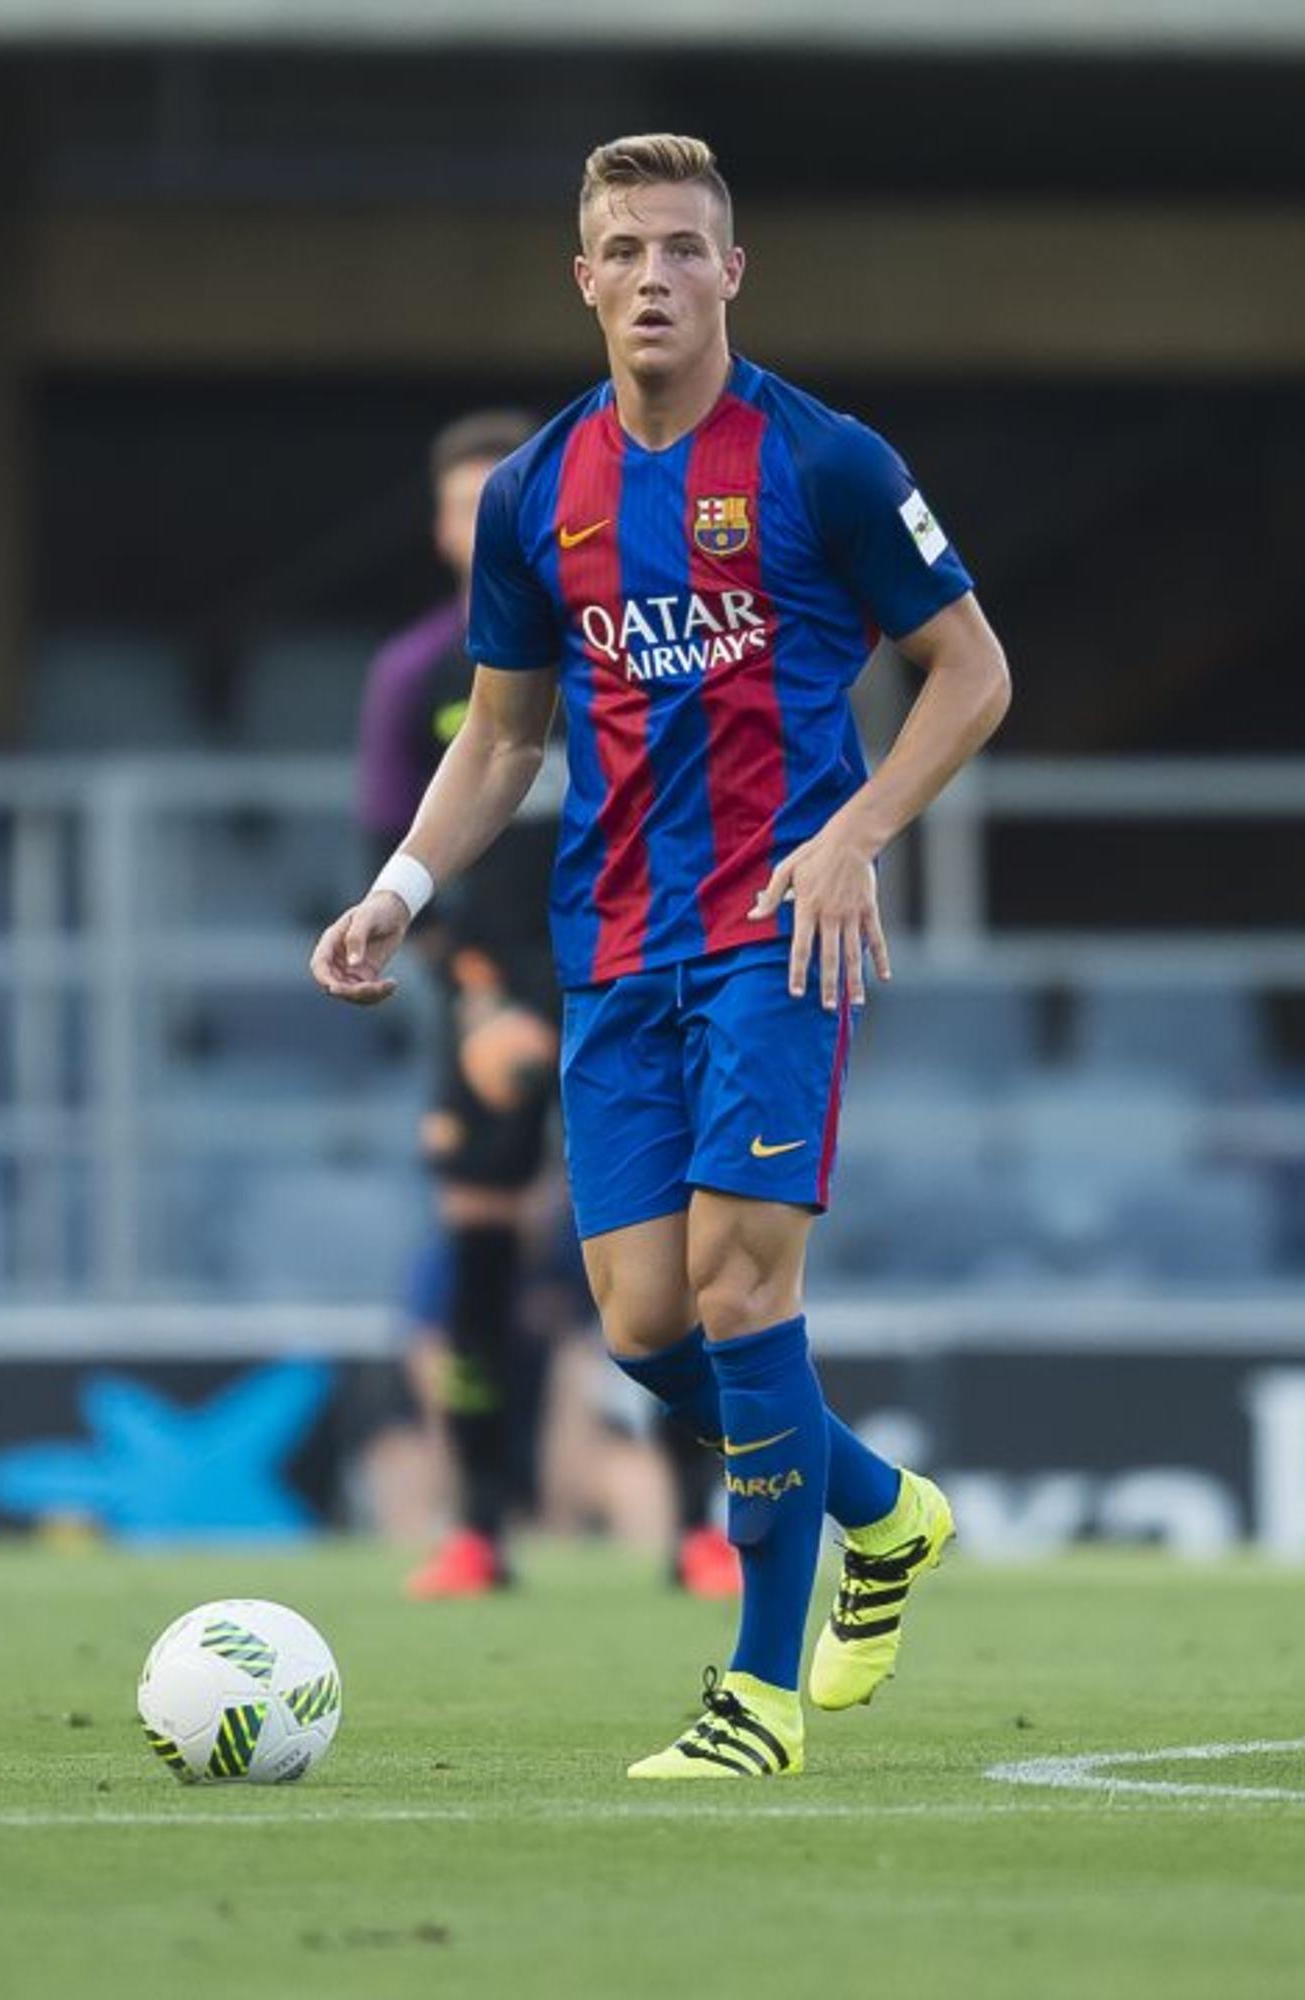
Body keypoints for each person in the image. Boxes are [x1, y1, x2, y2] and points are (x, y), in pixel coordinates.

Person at [313, 132, 1012, 1779]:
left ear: (731, 271)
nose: (653, 276)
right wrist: (402, 890)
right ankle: (883, 1512)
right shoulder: (535, 495)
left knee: (740, 1282)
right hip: (610, 954)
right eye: (624, 248)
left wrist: (857, 834)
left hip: (782, 931)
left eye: (684, 247)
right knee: (642, 1328)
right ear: (584, 278)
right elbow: (499, 741)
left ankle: (756, 1696)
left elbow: (971, 674)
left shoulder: (826, 462)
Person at [355, 408, 741, 1603]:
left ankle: (699, 1526)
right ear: (438, 529)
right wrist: (478, 1000)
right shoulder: (419, 675)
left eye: (501, 506)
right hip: (496, 999)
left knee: (684, 1255)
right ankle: (477, 1525)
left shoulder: (631, 642)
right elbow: (393, 853)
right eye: (464, 509)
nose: (485, 530)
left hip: (631, 975)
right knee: (475, 1249)